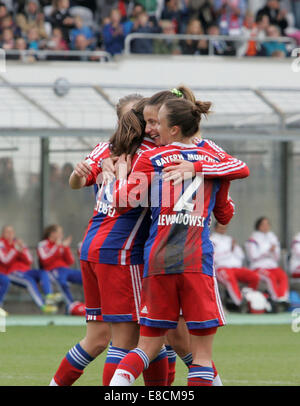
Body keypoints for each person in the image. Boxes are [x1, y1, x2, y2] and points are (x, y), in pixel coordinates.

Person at [109, 96, 236, 386]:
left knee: (146, 346)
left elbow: (123, 201)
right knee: (201, 356)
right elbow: (225, 213)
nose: (152, 130)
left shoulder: (152, 158)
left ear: (174, 129)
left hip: (158, 259)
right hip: (195, 262)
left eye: (157, 123)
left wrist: (118, 174)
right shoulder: (216, 161)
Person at [0, 225, 58, 314]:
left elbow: (29, 260)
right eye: (7, 232)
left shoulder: (19, 243)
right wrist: (15, 250)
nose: (10, 234)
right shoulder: (1, 244)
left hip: (26, 271)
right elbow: (5, 261)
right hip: (11, 272)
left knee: (43, 272)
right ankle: (42, 306)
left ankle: (49, 296)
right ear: (3, 234)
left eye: (12, 232)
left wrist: (21, 250)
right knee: (29, 281)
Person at [210, 222, 260, 312]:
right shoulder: (211, 240)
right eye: (221, 228)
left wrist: (232, 250)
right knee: (230, 279)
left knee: (254, 276)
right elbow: (214, 257)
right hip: (221, 267)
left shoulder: (230, 239)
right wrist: (230, 251)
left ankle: (250, 299)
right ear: (215, 228)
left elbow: (241, 255)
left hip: (235, 267)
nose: (223, 230)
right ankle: (240, 303)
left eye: (224, 228)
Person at [37, 224, 85, 315]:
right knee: (62, 282)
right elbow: (45, 261)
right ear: (52, 233)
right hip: (53, 270)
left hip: (66, 270)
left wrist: (65, 247)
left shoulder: (61, 244)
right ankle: (71, 306)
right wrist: (57, 247)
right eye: (59, 233)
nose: (61, 235)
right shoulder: (43, 244)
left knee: (86, 278)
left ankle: (93, 305)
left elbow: (70, 261)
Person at [245, 216, 289, 311]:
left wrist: (273, 252)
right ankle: (275, 300)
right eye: (263, 224)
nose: (266, 226)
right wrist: (268, 251)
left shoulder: (272, 237)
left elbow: (277, 257)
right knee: (270, 277)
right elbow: (253, 256)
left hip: (272, 265)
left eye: (267, 224)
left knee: (282, 275)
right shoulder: (253, 238)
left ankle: (282, 298)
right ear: (258, 226)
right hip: (258, 267)